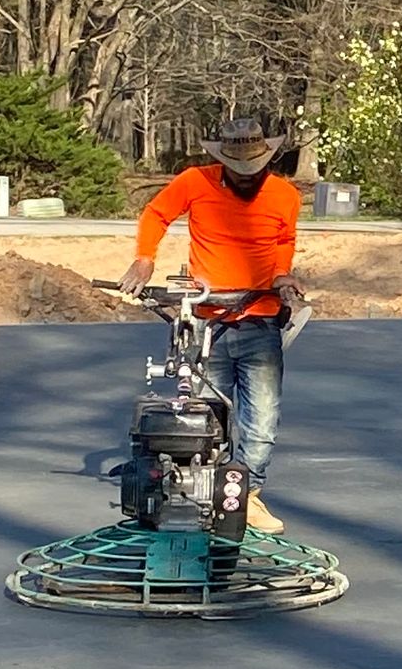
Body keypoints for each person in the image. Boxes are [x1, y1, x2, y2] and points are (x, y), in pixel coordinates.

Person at [121, 117, 302, 532]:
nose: (246, 179)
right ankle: (201, 491)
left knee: (263, 419)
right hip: (206, 321)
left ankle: (248, 495)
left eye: (253, 171)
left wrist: (280, 277)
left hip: (259, 321)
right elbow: (156, 213)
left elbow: (282, 242)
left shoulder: (284, 196)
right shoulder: (194, 182)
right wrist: (145, 257)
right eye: (238, 171)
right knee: (204, 415)